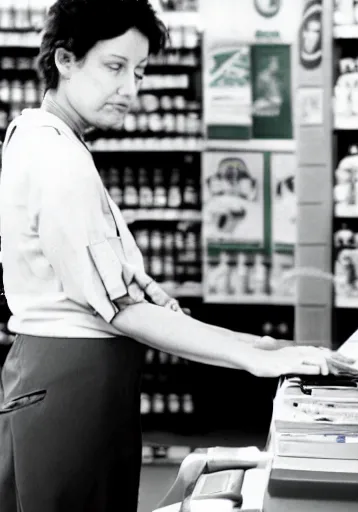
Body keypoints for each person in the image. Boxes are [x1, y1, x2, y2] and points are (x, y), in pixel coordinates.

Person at [0, 1, 330, 510]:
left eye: (140, 71)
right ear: (65, 60)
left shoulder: (46, 139)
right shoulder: (57, 159)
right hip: (71, 385)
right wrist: (251, 358)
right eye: (115, 67)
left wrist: (259, 345)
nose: (131, 89)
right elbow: (124, 310)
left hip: (69, 378)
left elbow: (131, 296)